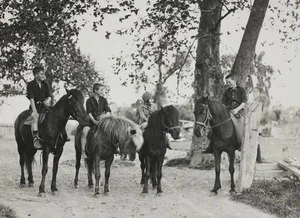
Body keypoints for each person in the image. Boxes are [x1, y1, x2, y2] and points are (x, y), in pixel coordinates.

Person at [202, 74, 247, 153]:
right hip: (227, 111)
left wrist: (236, 109)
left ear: (234, 80)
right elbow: (223, 103)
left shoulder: (241, 90)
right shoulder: (227, 92)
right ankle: (212, 144)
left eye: (229, 82)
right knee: (216, 122)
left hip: (238, 111)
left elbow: (244, 102)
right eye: (227, 82)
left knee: (240, 124)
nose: (228, 84)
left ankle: (241, 144)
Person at [80, 83, 111, 159]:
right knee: (84, 132)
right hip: (91, 121)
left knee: (112, 131)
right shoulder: (89, 100)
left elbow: (108, 110)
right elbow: (89, 113)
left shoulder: (104, 100)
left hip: (102, 121)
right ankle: (83, 152)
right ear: (95, 90)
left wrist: (105, 116)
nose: (102, 91)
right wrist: (94, 121)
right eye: (101, 90)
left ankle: (114, 149)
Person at [26, 66, 52, 149]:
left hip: (45, 106)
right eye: (41, 74)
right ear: (36, 75)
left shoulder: (45, 84)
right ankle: (36, 138)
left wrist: (48, 100)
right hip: (35, 106)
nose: (43, 75)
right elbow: (31, 98)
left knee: (55, 115)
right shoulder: (30, 84)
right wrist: (34, 110)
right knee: (35, 117)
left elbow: (50, 95)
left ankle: (60, 135)